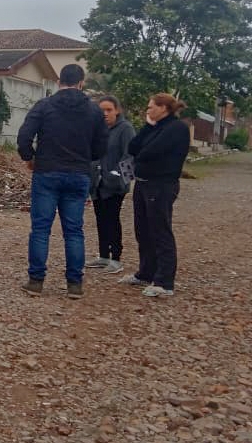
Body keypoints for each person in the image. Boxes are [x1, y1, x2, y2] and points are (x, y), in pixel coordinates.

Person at [17, 64, 107, 299]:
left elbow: (24, 136)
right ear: (81, 83)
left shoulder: (45, 105)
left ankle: (36, 281)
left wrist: (30, 158)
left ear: (59, 82)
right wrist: (86, 158)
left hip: (46, 172)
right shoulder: (94, 111)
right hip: (78, 174)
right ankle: (74, 284)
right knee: (74, 230)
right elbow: (101, 147)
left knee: (40, 229)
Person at [120, 94, 190, 297]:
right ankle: (146, 272)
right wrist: (147, 126)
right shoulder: (155, 127)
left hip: (161, 185)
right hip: (142, 184)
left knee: (160, 230)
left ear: (164, 108)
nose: (147, 110)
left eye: (151, 107)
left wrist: (143, 149)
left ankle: (164, 281)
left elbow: (148, 152)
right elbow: (133, 148)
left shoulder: (176, 129)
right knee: (143, 230)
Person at [85, 95, 136, 274]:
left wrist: (119, 179)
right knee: (100, 219)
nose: (105, 114)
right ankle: (104, 255)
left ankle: (116, 257)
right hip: (97, 183)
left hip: (114, 185)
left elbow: (130, 156)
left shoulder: (125, 129)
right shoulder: (97, 130)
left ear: (117, 110)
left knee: (112, 219)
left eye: (109, 110)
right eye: (102, 110)